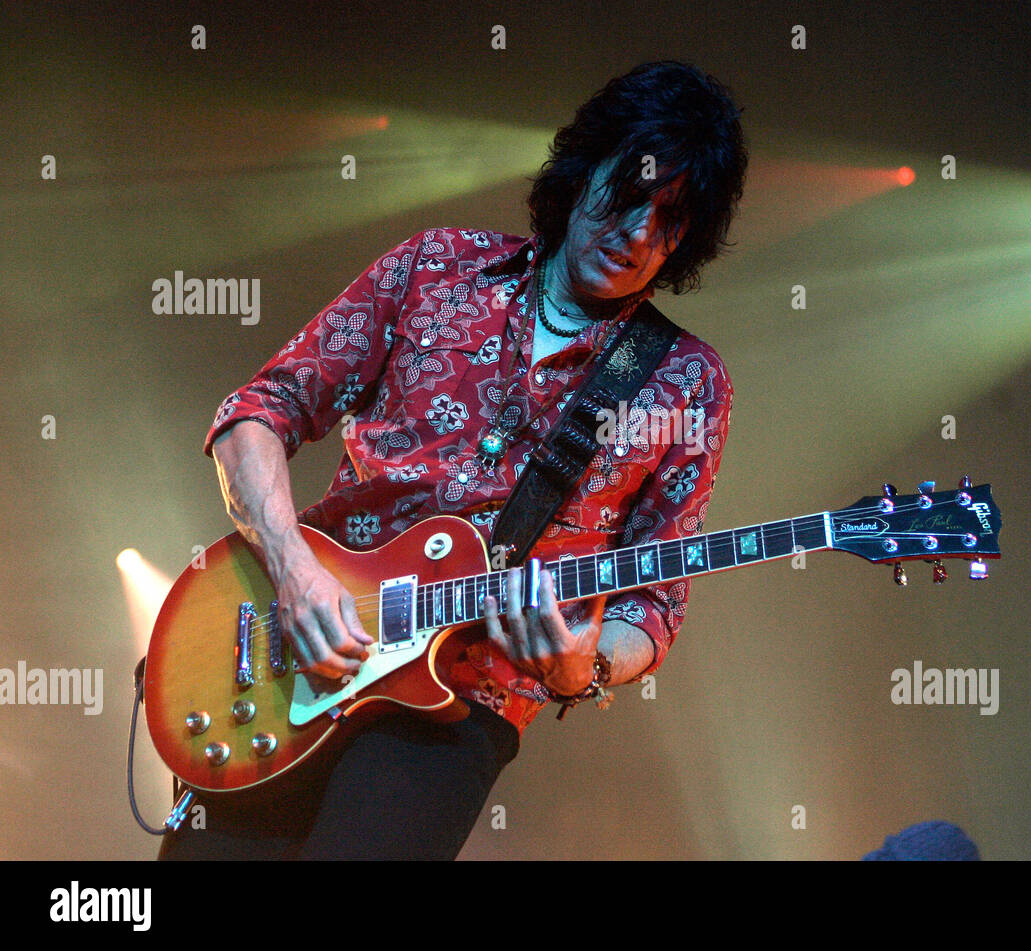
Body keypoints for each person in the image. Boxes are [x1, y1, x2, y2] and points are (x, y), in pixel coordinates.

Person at [158, 60, 747, 859]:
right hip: (296, 642)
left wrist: (583, 667)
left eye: (671, 219)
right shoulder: (437, 266)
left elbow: (654, 606)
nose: (639, 233)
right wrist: (295, 572)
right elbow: (257, 412)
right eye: (626, 193)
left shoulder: (685, 381)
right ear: (583, 172)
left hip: (460, 701)